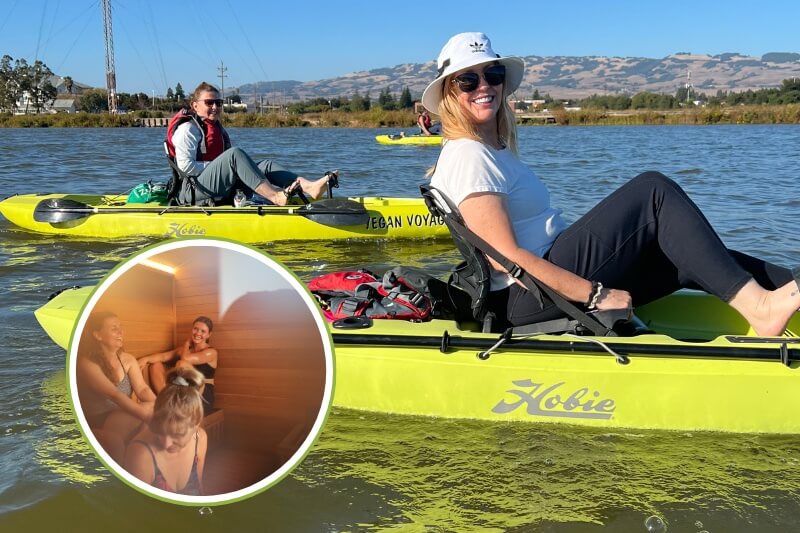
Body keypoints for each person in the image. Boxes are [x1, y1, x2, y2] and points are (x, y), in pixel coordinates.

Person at [422, 32, 800, 336]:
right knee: (653, 192)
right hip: (528, 298)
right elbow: (505, 259)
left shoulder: (492, 150)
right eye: (468, 80)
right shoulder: (469, 155)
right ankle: (762, 309)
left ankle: (790, 292)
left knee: (685, 252)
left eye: (493, 75)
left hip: (544, 283)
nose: (484, 85)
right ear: (449, 94)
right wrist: (596, 294)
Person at [168, 81, 333, 206]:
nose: (215, 107)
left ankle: (309, 188)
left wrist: (227, 170)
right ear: (195, 105)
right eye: (209, 103)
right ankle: (276, 197)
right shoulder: (187, 129)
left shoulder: (216, 128)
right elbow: (185, 167)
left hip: (214, 185)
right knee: (235, 155)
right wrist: (218, 167)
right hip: (192, 190)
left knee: (265, 166)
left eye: (218, 103)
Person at [77, 311, 157, 463]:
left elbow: (142, 390)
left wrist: (162, 406)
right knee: (148, 417)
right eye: (114, 328)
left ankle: (144, 462)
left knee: (154, 408)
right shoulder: (87, 364)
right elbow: (114, 395)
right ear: (97, 335)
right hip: (98, 419)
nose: (121, 332)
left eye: (121, 327)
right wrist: (147, 415)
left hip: (122, 413)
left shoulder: (128, 359)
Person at [124, 367, 208, 496]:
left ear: (196, 423)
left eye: (177, 434)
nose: (166, 444)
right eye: (160, 431)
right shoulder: (140, 455)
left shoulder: (200, 438)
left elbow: (199, 491)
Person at [138, 316, 217, 416]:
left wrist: (186, 343)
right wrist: (145, 359)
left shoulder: (211, 352)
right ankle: (166, 401)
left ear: (209, 335)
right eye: (195, 329)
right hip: (182, 393)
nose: (198, 333)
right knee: (155, 365)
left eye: (203, 331)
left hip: (202, 397)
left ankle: (171, 404)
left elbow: (185, 359)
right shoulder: (185, 350)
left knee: (181, 364)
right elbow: (163, 356)